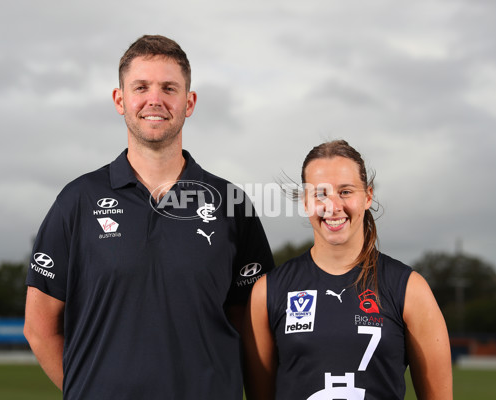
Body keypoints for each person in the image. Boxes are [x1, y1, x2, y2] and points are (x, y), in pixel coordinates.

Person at [23, 34, 274, 399]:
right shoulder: (76, 201)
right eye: (141, 87)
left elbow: (254, 329)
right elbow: (39, 327)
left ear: (189, 103)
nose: (154, 99)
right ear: (119, 99)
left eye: (169, 88)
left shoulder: (232, 204)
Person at [243, 140, 452, 400]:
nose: (333, 206)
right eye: (320, 194)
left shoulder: (410, 289)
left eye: (345, 192)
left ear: (367, 196)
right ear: (305, 202)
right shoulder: (268, 291)